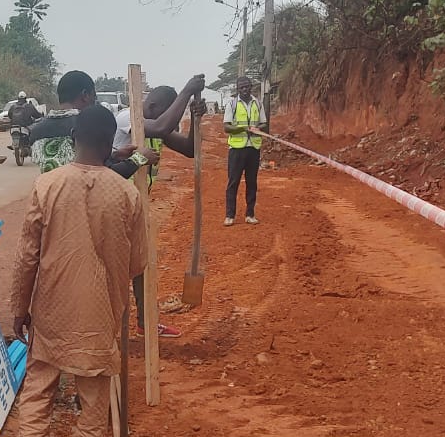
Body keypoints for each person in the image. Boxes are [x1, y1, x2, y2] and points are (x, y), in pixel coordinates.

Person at [0, 105, 146, 437]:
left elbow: (27, 256)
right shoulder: (127, 193)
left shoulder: (48, 185)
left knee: (38, 392)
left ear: (74, 137)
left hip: (52, 311)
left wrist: (19, 308)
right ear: (110, 144)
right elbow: (137, 262)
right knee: (93, 403)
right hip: (101, 314)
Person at [113, 77, 207, 339]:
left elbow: (189, 149)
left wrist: (195, 119)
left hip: (135, 207)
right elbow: (163, 125)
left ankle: (146, 323)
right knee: (115, 269)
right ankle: (108, 328)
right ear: (153, 106)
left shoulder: (154, 125)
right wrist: (187, 91)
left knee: (142, 267)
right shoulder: (127, 117)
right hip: (114, 206)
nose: (171, 123)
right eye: (168, 113)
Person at [27, 70, 157, 175]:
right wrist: (138, 159)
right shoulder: (88, 125)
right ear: (85, 95)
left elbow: (71, 162)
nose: (94, 102)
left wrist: (114, 156)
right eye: (94, 96)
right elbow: (100, 176)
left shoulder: (37, 131)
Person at [223, 76, 268, 226]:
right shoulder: (232, 104)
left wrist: (257, 128)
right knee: (233, 182)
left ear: (251, 87)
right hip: (236, 149)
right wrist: (242, 129)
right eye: (241, 87)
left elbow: (264, 124)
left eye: (247, 86)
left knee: (252, 182)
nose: (245, 89)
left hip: (253, 148)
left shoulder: (258, 103)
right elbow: (226, 127)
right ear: (237, 89)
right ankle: (230, 215)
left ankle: (250, 214)